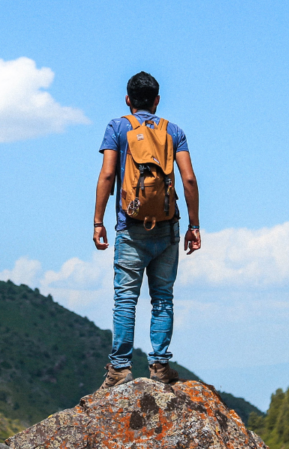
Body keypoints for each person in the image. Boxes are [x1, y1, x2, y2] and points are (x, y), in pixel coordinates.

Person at [93, 71, 201, 390]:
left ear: (128, 100)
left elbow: (108, 175)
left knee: (126, 298)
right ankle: (160, 367)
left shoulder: (118, 127)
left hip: (131, 226)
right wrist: (194, 225)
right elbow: (189, 179)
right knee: (163, 298)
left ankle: (119, 371)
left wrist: (98, 221)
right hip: (168, 227)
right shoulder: (174, 131)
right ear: (156, 101)